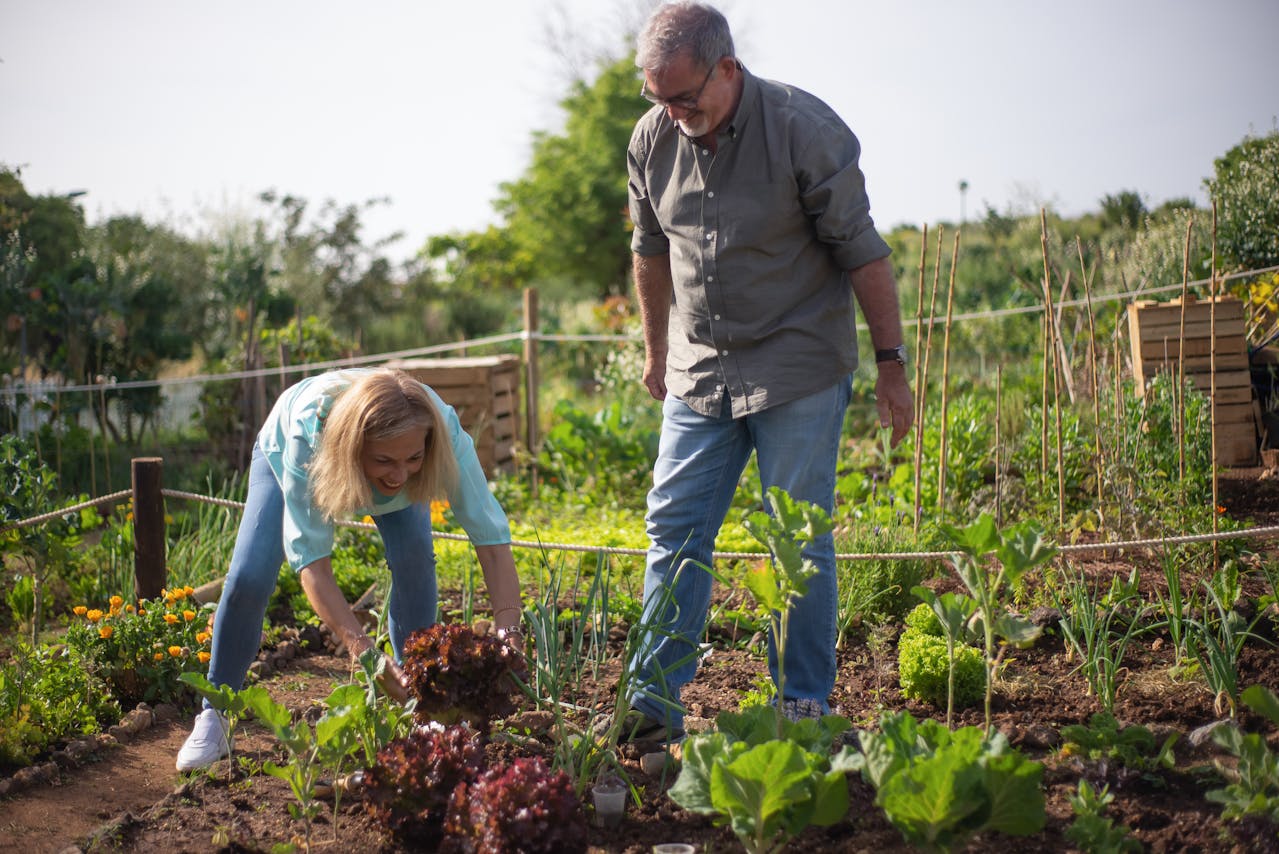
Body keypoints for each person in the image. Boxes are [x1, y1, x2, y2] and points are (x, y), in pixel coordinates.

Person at [618, 1, 914, 742]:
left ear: (727, 67)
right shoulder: (652, 138)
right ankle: (651, 707)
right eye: (658, 99)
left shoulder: (801, 128)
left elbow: (863, 251)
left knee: (796, 537)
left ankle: (802, 707)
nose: (673, 114)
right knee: (673, 529)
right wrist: (657, 352)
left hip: (797, 366)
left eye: (685, 96)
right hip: (698, 368)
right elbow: (649, 250)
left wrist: (891, 365)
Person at [176, 367, 523, 770]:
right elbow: (312, 565)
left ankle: (420, 704)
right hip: (293, 450)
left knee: (415, 563)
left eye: (414, 457)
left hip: (381, 455)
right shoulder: (309, 439)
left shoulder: (440, 430)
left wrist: (509, 629)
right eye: (384, 460)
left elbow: (492, 539)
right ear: (357, 448)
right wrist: (366, 655)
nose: (399, 474)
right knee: (249, 578)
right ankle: (215, 713)